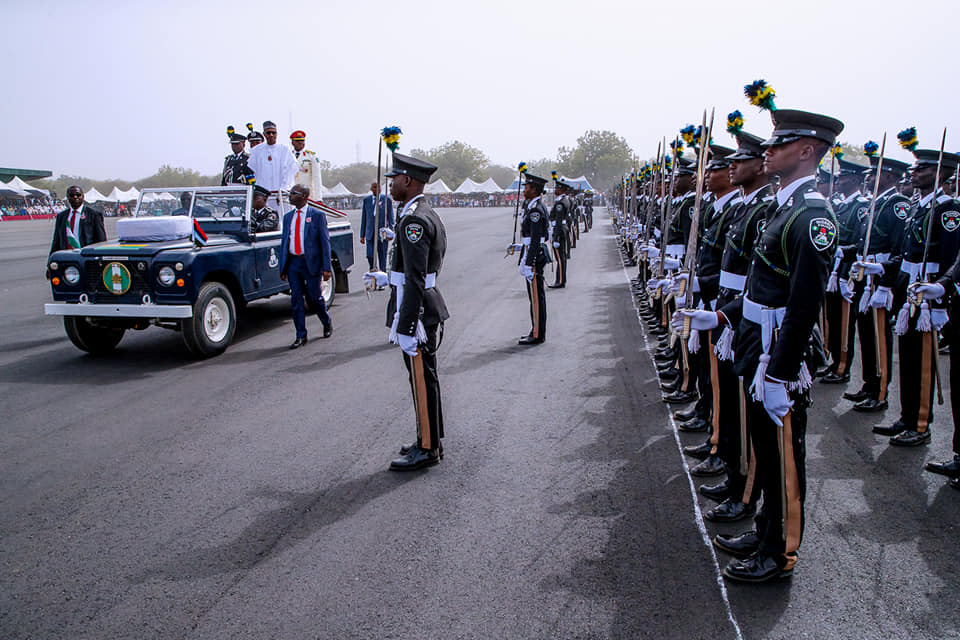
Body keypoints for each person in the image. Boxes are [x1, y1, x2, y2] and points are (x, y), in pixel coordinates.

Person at [677, 108, 844, 583]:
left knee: (785, 457)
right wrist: (724, 315)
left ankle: (781, 551)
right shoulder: (782, 206)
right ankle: (766, 529)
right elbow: (758, 283)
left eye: (780, 145)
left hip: (779, 352)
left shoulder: (812, 215)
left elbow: (804, 304)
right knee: (766, 453)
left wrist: (780, 373)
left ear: (808, 151)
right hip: (756, 340)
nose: (768, 152)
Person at [378, 153, 449, 471]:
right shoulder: (419, 213)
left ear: (407, 180)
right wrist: (386, 277)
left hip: (418, 310)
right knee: (423, 378)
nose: (390, 184)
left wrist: (408, 324)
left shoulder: (414, 220)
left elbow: (417, 277)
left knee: (422, 379)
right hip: (421, 305)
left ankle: (427, 448)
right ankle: (429, 437)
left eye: (394, 179)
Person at [279, 184, 333, 349]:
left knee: (314, 298)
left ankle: (326, 321)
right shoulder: (288, 217)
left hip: (311, 263)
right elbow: (284, 243)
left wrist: (326, 268)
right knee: (295, 300)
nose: (290, 196)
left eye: (293, 193)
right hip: (294, 263)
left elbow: (325, 243)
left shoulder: (316, 215)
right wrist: (283, 267)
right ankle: (301, 335)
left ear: (304, 196)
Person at [515, 172, 550, 345]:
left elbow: (536, 238)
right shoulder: (533, 206)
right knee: (534, 296)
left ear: (534, 190)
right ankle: (535, 328)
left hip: (535, 255)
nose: (524, 191)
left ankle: (537, 333)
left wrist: (529, 262)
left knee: (536, 296)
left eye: (527, 188)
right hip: (532, 251)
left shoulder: (536, 210)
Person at [247, 120, 298, 204]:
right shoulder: (256, 151)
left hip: (281, 195)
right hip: (263, 196)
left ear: (277, 134)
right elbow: (253, 171)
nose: (271, 135)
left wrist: (284, 189)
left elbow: (291, 171)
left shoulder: (285, 150)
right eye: (268, 133)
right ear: (264, 134)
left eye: (273, 133)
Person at [49, 185, 106, 254]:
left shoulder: (94, 215)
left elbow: (101, 240)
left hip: (85, 256)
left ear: (83, 196)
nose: (75, 197)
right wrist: (51, 259)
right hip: (66, 255)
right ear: (67, 197)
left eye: (78, 195)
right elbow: (56, 240)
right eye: (72, 195)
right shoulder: (61, 216)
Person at [359, 182, 394, 271]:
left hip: (382, 234)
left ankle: (382, 274)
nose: (376, 189)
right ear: (371, 189)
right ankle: (373, 269)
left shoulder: (387, 200)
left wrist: (391, 231)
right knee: (370, 255)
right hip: (370, 233)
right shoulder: (366, 200)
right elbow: (364, 218)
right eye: (374, 187)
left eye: (378, 187)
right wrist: (362, 235)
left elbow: (391, 217)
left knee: (382, 256)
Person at [291, 130, 324, 199]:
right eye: (297, 141)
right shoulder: (289, 156)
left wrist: (318, 198)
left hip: (307, 195)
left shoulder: (311, 156)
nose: (300, 143)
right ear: (292, 142)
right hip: (292, 193)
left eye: (302, 141)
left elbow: (317, 178)